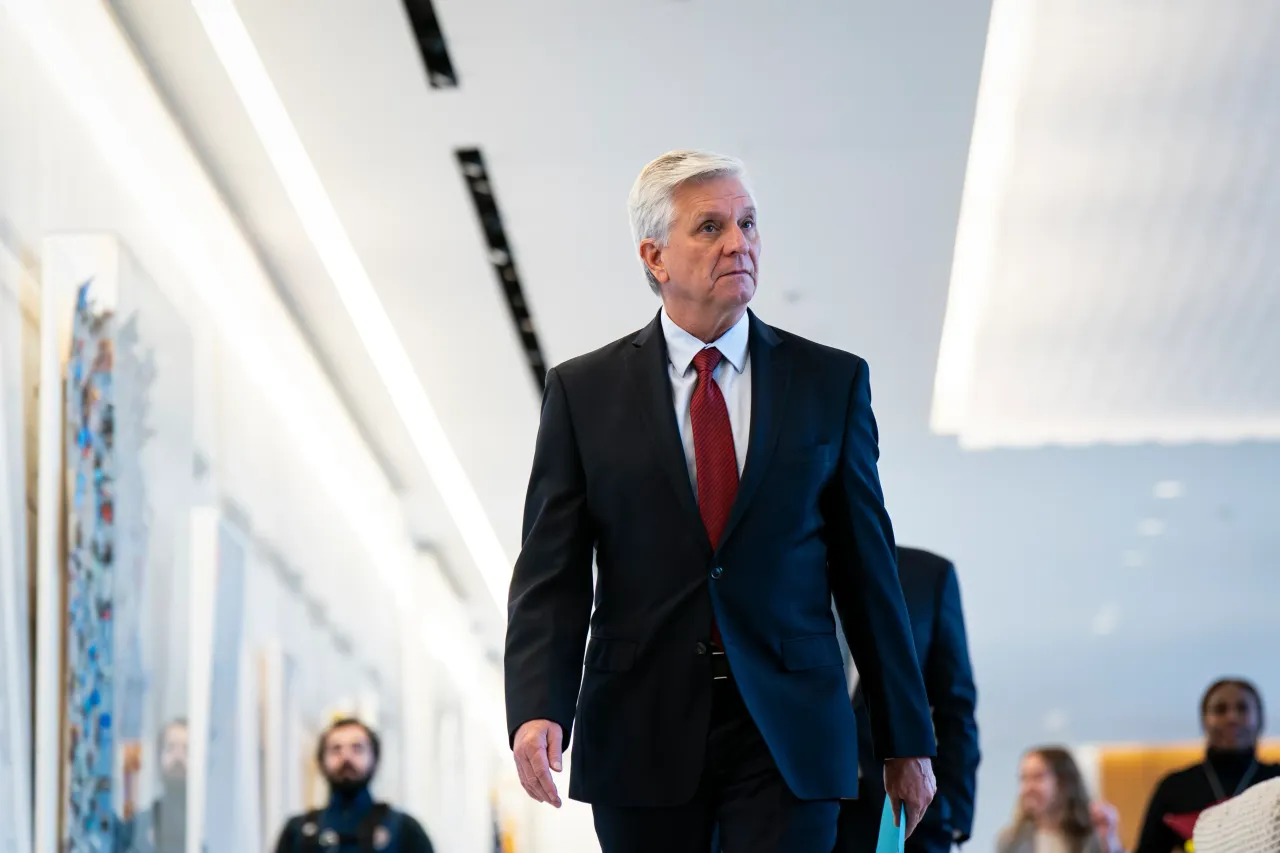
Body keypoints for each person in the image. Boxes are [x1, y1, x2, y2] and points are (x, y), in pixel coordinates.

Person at [504, 149, 936, 853]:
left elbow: (867, 572)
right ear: (656, 257)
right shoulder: (583, 394)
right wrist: (535, 706)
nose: (739, 242)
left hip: (788, 725)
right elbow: (551, 570)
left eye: (748, 223)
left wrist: (906, 738)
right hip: (639, 721)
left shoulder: (829, 383)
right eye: (710, 227)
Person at [834, 547, 980, 852]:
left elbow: (956, 705)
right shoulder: (787, 567)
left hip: (898, 811)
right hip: (797, 804)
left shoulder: (928, 575)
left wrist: (954, 816)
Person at [1133, 678, 1280, 853]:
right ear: (1204, 721)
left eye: (1242, 708)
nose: (1232, 718)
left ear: (1260, 720)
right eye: (1220, 710)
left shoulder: (1276, 781)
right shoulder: (1174, 787)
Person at [273, 718, 435, 853]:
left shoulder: (404, 829)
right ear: (321, 760)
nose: (346, 757)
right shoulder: (297, 831)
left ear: (374, 758)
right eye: (336, 749)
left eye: (357, 748)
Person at [997, 747, 1125, 853]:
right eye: (1024, 778)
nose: (1028, 788)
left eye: (1038, 777)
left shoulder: (1091, 836)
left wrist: (1109, 841)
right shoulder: (1010, 841)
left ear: (1063, 783)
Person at [116, 718, 191, 853]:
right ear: (159, 758)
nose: (178, 756)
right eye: (170, 748)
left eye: (186, 749)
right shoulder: (138, 827)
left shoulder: (201, 829)